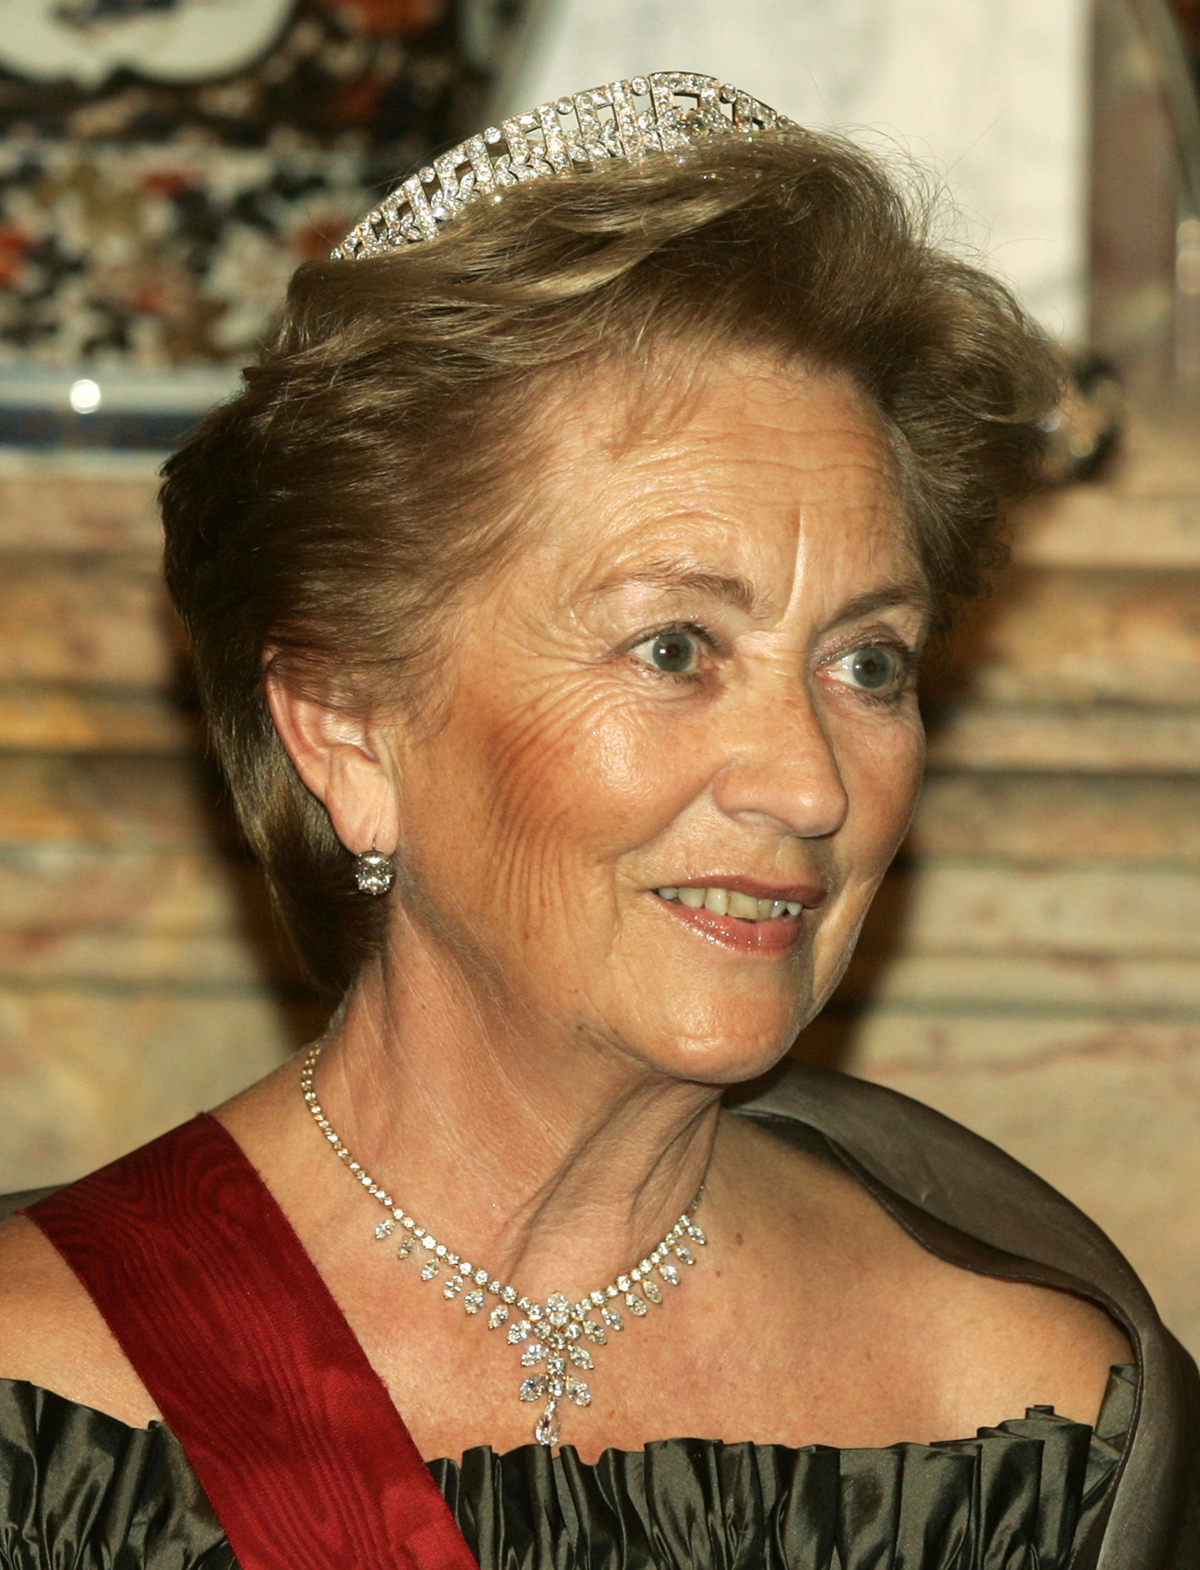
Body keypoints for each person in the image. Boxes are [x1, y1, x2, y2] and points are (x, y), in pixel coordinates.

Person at [0, 72, 1195, 1570]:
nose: (812, 783)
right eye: (677, 647)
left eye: (867, 661)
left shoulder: (1026, 1421)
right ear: (347, 727)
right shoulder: (38, 1413)